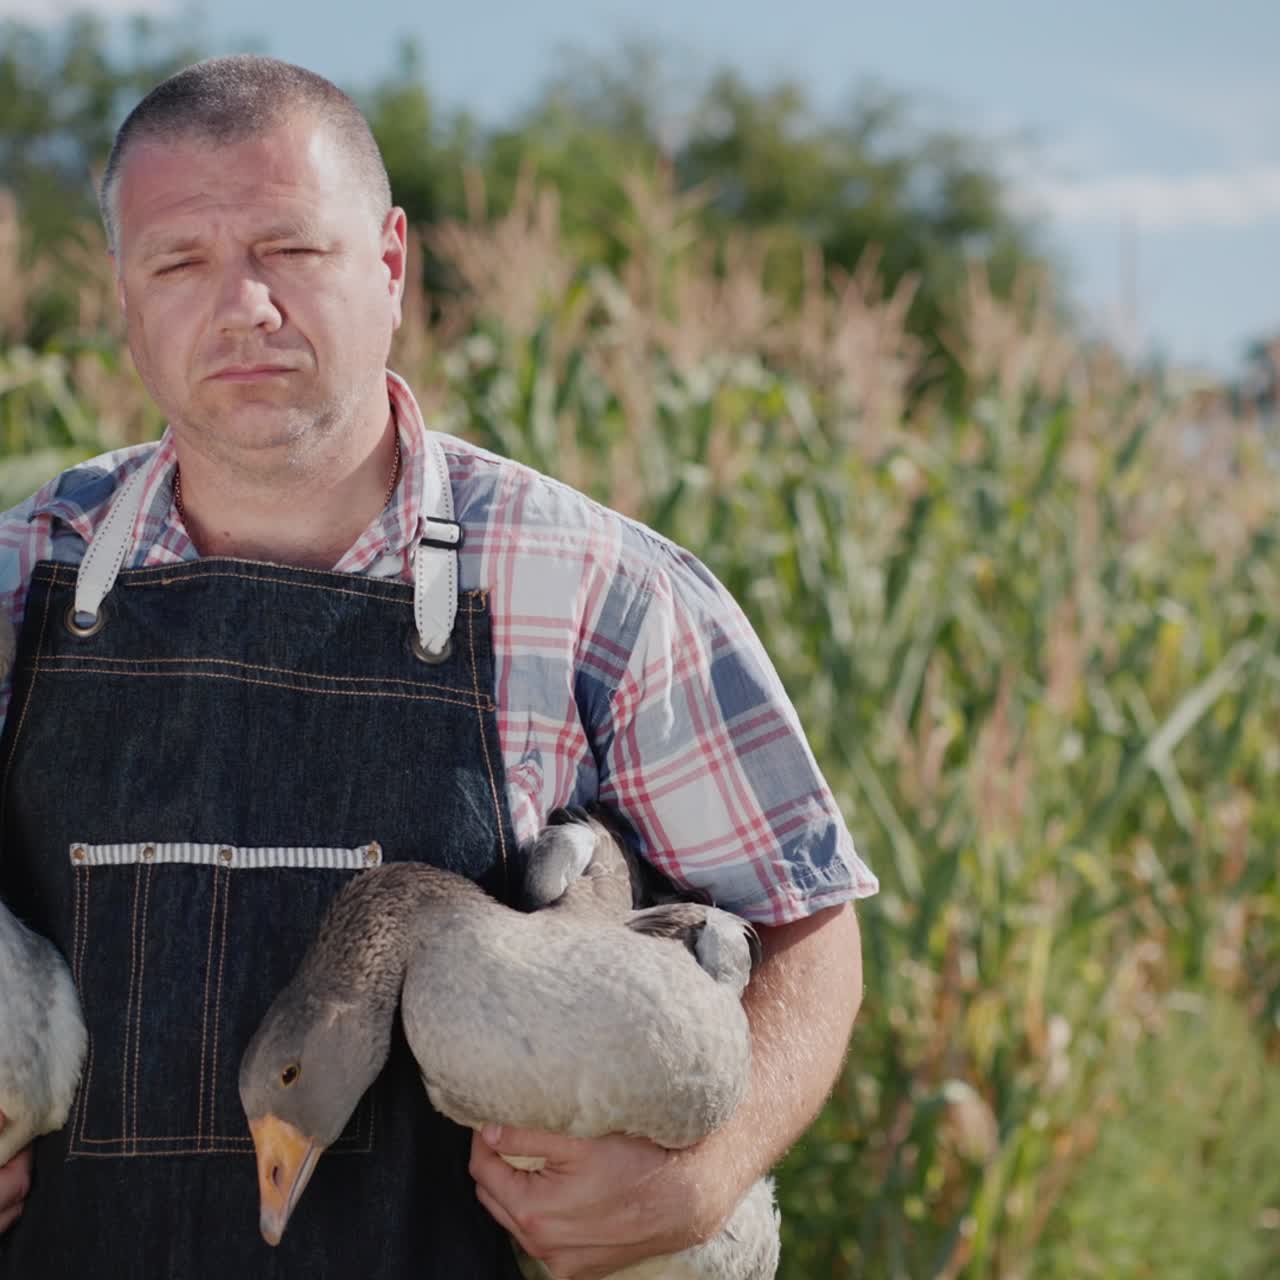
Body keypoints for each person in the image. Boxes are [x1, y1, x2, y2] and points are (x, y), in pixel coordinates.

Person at [0, 55, 877, 1279]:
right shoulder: (22, 577)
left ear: (390, 262)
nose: (243, 304)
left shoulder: (599, 592)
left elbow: (804, 922)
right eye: (179, 262)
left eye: (290, 250)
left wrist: (704, 1173)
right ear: (123, 294)